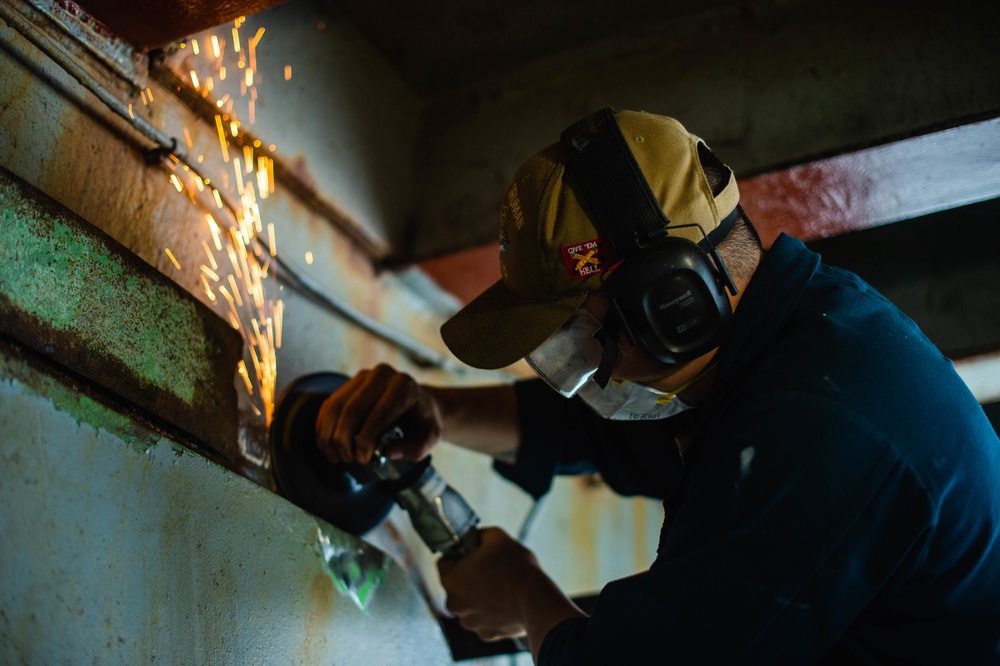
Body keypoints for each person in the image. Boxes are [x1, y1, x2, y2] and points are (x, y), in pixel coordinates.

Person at [315, 109, 1000, 664]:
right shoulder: (787, 346)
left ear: (671, 303)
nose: (587, 371)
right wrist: (437, 410)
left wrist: (526, 601)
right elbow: (612, 431)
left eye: (579, 340)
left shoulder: (821, 428)